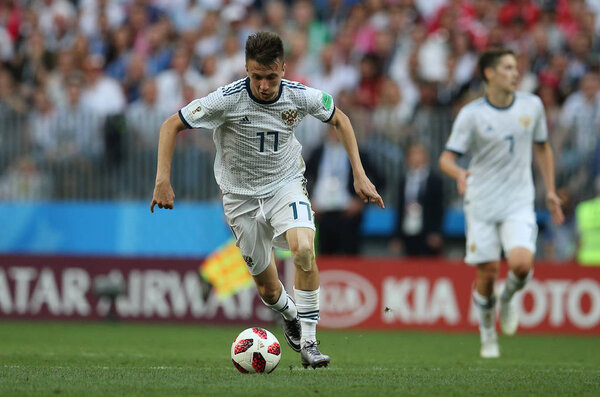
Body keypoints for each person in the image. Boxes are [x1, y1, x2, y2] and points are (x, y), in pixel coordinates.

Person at [150, 31, 384, 368]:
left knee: (303, 248)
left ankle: (309, 341)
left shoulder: (299, 96)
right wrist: (162, 181)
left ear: (284, 69)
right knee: (269, 289)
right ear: (246, 69)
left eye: (271, 77)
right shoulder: (225, 100)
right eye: (257, 77)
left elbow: (341, 119)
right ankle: (288, 312)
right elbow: (171, 124)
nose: (263, 85)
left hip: (285, 185)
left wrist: (359, 175)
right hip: (240, 198)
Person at [438, 48, 564, 359]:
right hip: (481, 201)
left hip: (518, 200)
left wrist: (550, 190)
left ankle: (507, 299)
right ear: (489, 73)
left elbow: (543, 148)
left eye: (515, 67)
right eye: (507, 67)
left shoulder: (532, 106)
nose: (515, 73)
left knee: (521, 264)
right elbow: (446, 158)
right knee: (489, 272)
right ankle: (488, 336)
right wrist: (460, 173)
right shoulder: (472, 114)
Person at [391, 143, 444, 257]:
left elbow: (439, 207)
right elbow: (399, 208)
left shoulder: (434, 181)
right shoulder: (403, 180)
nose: (415, 158)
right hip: (408, 229)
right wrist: (397, 235)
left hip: (428, 232)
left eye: (419, 154)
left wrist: (436, 232)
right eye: (412, 155)